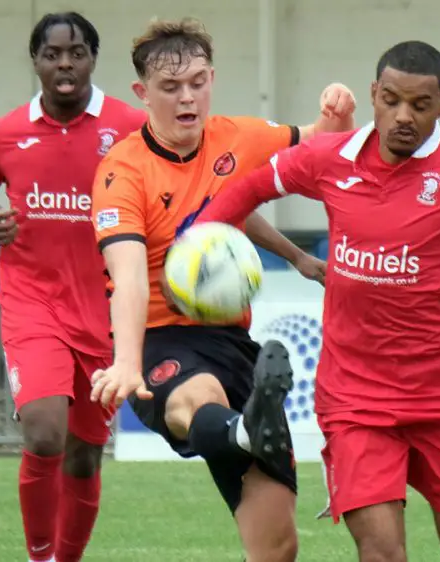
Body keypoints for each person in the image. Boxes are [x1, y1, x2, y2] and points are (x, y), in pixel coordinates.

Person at [195, 40, 440, 562]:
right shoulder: (331, 158)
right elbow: (251, 187)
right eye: (392, 100)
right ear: (374, 94)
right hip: (355, 399)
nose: (404, 116)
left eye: (420, 106)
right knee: (379, 552)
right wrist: (200, 240)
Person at [87, 18, 354, 562]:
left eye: (198, 82)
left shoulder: (239, 137)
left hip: (233, 341)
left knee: (277, 545)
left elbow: (325, 145)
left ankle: (244, 427)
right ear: (142, 94)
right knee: (198, 395)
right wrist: (127, 362)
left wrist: (339, 115)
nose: (188, 98)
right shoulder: (121, 172)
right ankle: (238, 428)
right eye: (170, 87)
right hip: (161, 337)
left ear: (212, 78)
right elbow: (131, 274)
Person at [0, 12, 147, 562]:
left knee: (84, 456)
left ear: (92, 57)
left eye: (77, 51)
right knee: (44, 434)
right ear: (35, 59)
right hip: (31, 302)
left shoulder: (131, 127)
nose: (65, 63)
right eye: (52, 53)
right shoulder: (3, 133)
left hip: (106, 311)